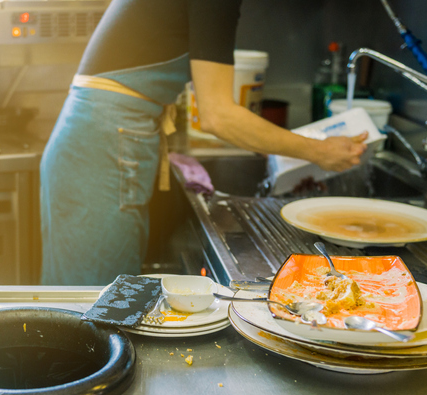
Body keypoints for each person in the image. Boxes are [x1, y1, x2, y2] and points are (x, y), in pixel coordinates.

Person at [39, 0, 367, 286]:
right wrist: (319, 151)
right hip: (101, 147)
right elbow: (218, 116)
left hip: (100, 141)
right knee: (96, 306)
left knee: (94, 299)